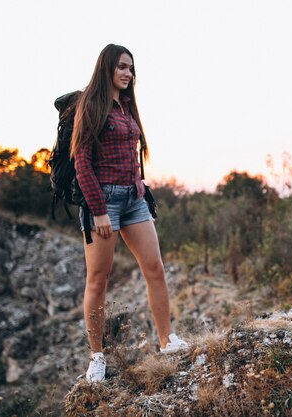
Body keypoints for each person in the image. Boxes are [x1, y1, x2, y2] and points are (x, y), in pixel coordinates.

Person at [71, 44, 188, 383]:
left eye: (131, 69)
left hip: (134, 199)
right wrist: (98, 210)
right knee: (98, 279)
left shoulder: (126, 107)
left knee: (155, 268)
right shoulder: (90, 106)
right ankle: (97, 357)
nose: (128, 73)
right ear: (107, 67)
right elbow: (82, 163)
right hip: (102, 202)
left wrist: (139, 187)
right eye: (122, 67)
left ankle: (167, 341)